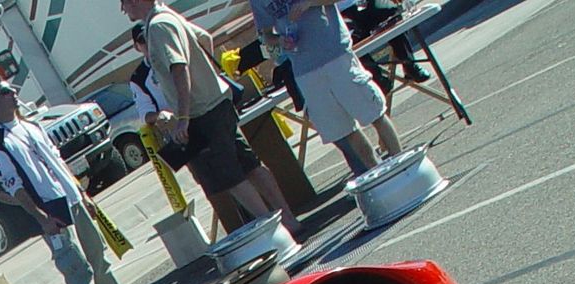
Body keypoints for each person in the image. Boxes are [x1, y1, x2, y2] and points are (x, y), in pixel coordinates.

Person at [121, 0, 302, 242]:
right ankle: (289, 220)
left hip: (201, 112)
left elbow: (179, 68)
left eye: (123, 3)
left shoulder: (157, 26)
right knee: (249, 165)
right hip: (217, 102)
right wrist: (207, 75)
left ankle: (276, 233)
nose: (123, 10)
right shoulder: (168, 16)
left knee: (231, 177)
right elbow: (205, 38)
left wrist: (183, 117)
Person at [0, 77, 134, 284]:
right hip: (50, 210)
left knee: (98, 255)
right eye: (5, 92)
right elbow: (10, 188)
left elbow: (58, 162)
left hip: (72, 198)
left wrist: (82, 194)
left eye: (11, 89)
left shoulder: (32, 126)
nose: (13, 93)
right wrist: (41, 218)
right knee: (75, 268)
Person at [251, 0, 403, 174]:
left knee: (374, 113)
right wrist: (280, 40)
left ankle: (403, 166)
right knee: (345, 130)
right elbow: (266, 35)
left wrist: (309, 3)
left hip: (336, 55)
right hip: (304, 70)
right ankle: (379, 173)